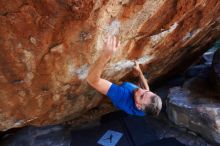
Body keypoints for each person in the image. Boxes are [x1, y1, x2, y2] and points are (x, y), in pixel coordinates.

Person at [87, 35, 162, 117]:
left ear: (138, 106)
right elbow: (146, 90)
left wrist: (106, 55)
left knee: (119, 90)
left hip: (120, 97)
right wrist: (139, 72)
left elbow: (92, 81)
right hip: (136, 102)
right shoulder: (146, 107)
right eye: (147, 93)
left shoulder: (122, 96)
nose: (141, 90)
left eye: (141, 96)